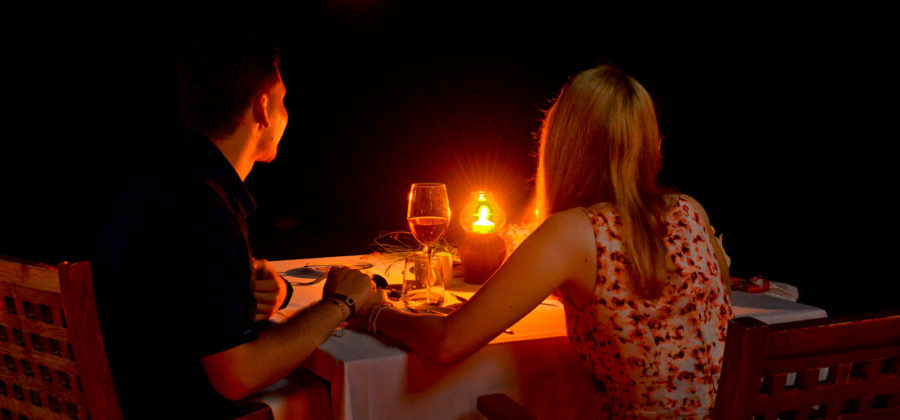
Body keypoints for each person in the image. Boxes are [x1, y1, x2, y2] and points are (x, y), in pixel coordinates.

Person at [358, 65, 733, 418]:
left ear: (563, 144)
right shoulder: (690, 210)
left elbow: (447, 344)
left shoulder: (574, 231)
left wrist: (373, 311)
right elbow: (716, 311)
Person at [92, 31, 377, 419]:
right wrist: (341, 303)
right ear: (263, 107)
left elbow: (189, 301)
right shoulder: (202, 207)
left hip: (137, 392)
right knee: (336, 393)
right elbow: (238, 375)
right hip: (171, 408)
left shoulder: (162, 178)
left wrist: (266, 291)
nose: (287, 114)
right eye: (283, 100)